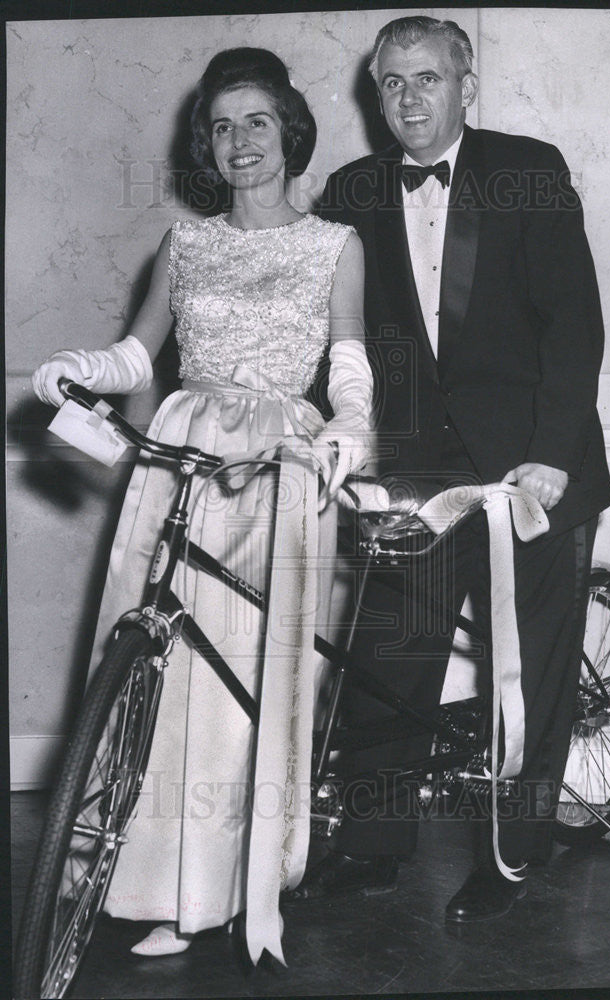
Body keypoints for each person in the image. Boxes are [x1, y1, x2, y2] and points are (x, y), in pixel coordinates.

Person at [31, 47, 375, 965]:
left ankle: (227, 887)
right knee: (164, 669)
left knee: (246, 681)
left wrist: (348, 428)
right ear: (206, 146)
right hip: (180, 460)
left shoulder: (334, 244)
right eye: (221, 127)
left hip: (278, 465)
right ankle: (159, 886)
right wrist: (77, 371)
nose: (239, 141)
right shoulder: (184, 243)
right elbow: (138, 356)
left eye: (256, 120)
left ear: (289, 130)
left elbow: (348, 364)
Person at [292, 16, 610, 922]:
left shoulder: (527, 169)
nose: (408, 99)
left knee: (530, 670)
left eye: (426, 79)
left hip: (533, 472)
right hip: (416, 475)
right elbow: (333, 336)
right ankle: (368, 846)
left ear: (464, 85)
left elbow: (573, 327)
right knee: (388, 659)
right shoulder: (353, 190)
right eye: (391, 81)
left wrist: (550, 458)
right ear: (373, 88)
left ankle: (513, 856)